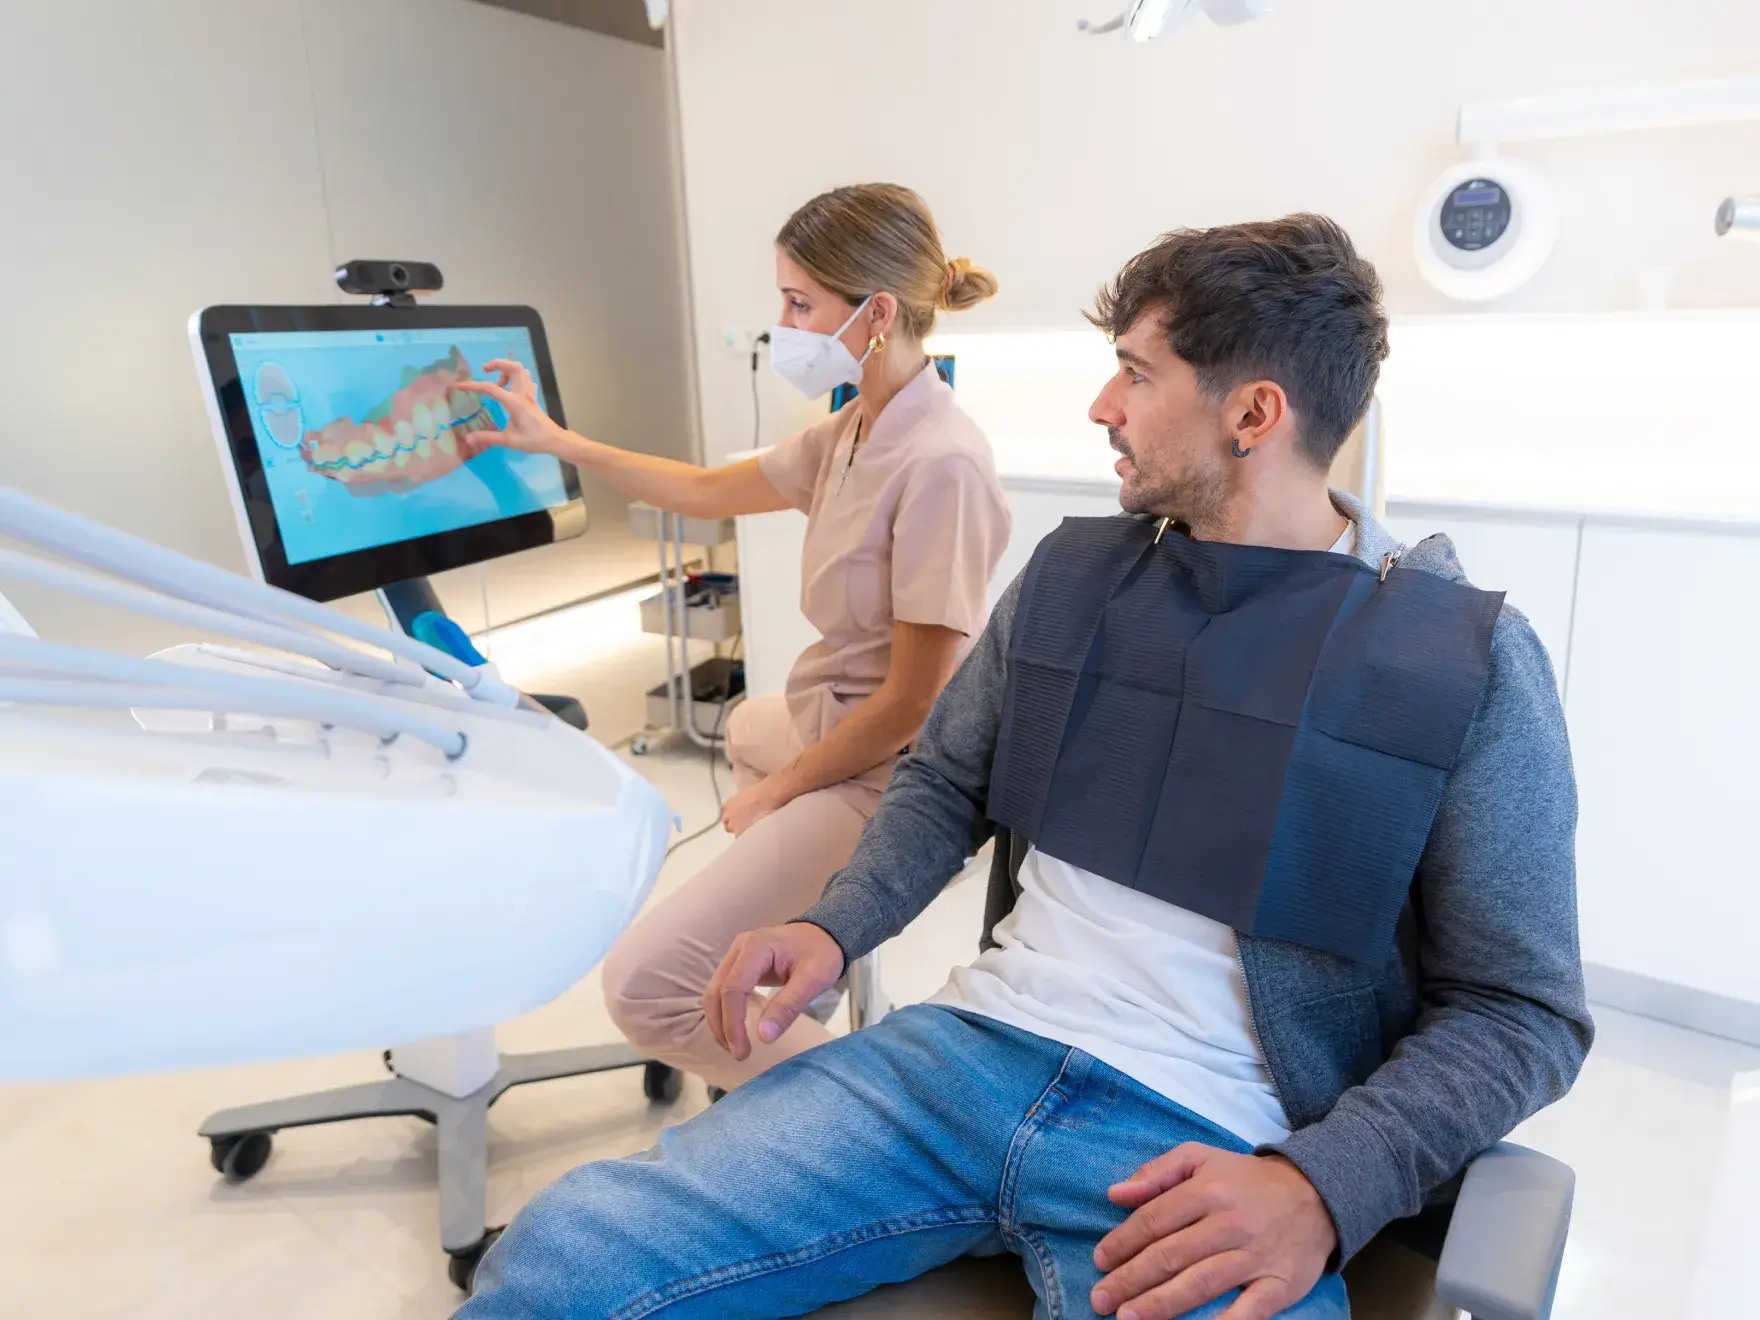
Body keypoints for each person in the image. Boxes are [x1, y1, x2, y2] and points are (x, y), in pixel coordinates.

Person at [456, 215, 1593, 1320]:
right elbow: (943, 781)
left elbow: (1519, 1011)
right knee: (563, 1256)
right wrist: (833, 926)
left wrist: (1320, 1182)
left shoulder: (1460, 661)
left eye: (1134, 377)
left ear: (1253, 412)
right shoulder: (1071, 579)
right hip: (956, 1066)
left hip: (1208, 1137)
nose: (1101, 406)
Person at [458, 183, 1011, 1093]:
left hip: (891, 769)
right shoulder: (855, 425)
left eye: (799, 303)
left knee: (645, 989)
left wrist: (787, 791)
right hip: (828, 721)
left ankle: (870, 1112)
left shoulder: (942, 464)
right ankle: (800, 987)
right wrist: (557, 441)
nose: (782, 323)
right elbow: (710, 489)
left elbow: (915, 700)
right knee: (749, 726)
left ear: (874, 314)